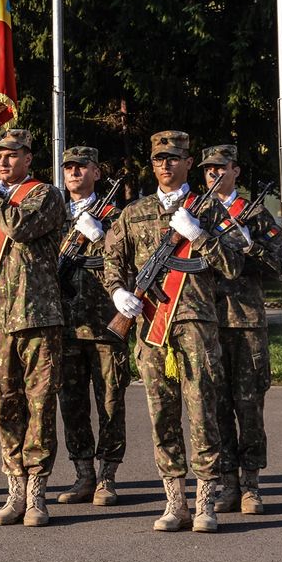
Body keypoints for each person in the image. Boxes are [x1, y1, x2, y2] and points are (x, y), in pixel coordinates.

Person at [102, 131, 243, 533]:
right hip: (152, 328)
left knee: (202, 414)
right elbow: (113, 260)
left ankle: (205, 502)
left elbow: (234, 265)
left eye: (174, 158)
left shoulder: (209, 209)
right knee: (162, 415)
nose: (166, 165)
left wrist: (199, 235)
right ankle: (175, 502)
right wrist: (118, 292)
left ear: (188, 163)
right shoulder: (134, 212)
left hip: (196, 325)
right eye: (159, 159)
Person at [0, 128, 67, 527]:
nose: (3, 161)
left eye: (12, 155)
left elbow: (20, 228)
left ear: (28, 158)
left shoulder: (44, 195)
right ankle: (15, 490)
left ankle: (37, 493)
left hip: (38, 318)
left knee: (39, 407)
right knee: (5, 406)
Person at [198, 145, 282, 515]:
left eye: (220, 167)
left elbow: (280, 266)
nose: (213, 174)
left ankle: (251, 485)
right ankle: (228, 484)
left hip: (246, 321)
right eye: (208, 169)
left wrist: (252, 247)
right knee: (216, 407)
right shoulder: (197, 212)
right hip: (207, 320)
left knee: (249, 407)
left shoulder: (254, 213)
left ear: (235, 170)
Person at [55, 146, 128, 507]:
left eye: (81, 167)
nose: (74, 172)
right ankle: (83, 474)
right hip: (65, 325)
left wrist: (100, 238)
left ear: (96, 173)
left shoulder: (116, 216)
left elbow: (127, 262)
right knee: (72, 403)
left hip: (105, 326)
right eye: (69, 167)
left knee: (110, 402)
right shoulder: (54, 215)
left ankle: (107, 477)